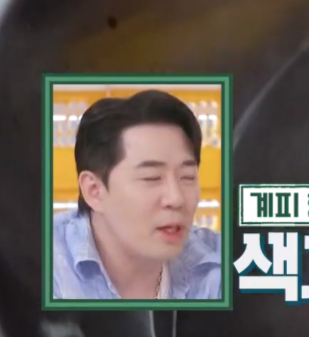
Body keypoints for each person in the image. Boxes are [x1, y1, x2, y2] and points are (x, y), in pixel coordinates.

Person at [51, 90, 221, 300]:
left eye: (187, 177)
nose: (176, 198)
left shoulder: (223, 259)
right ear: (94, 191)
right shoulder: (43, 263)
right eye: (151, 178)